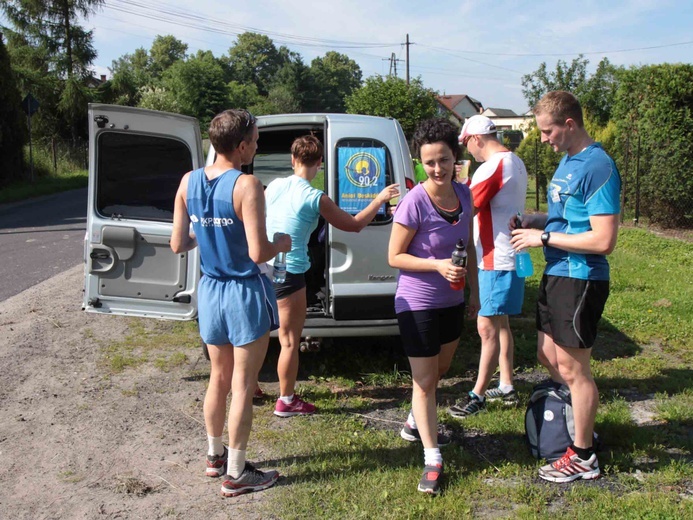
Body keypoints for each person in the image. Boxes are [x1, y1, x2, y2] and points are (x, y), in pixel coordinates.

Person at [170, 109, 292, 497]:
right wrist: (283, 244)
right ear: (240, 146)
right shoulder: (247, 185)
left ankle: (214, 456)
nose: (256, 146)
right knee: (242, 385)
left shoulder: (188, 182)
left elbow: (177, 243)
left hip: (210, 292)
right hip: (242, 291)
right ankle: (238, 474)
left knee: (218, 379)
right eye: (255, 140)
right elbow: (258, 252)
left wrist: (204, 236)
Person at [510, 91, 621, 483]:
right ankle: (577, 423)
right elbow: (567, 218)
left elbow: (603, 240)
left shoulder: (598, 165)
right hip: (558, 272)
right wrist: (536, 219)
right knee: (546, 355)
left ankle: (583, 455)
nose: (543, 139)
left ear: (569, 124)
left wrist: (542, 240)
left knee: (575, 370)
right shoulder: (569, 161)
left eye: (547, 131)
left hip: (580, 277)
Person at [265, 135, 399, 418]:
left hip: (266, 265)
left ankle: (250, 386)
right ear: (321, 164)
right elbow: (353, 225)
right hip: (290, 270)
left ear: (293, 160)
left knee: (260, 333)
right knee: (289, 340)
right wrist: (379, 198)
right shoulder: (315, 197)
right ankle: (286, 401)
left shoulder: (275, 185)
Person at [388, 118, 479, 495]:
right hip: (417, 302)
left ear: (454, 157)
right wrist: (436, 265)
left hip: (452, 301)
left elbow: (468, 247)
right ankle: (432, 457)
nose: (437, 169)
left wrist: (472, 292)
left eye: (443, 160)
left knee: (439, 371)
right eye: (429, 162)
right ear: (420, 163)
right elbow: (394, 256)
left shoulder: (466, 195)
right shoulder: (414, 202)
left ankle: (414, 422)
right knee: (425, 383)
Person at [448, 115, 528, 418]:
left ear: (476, 138)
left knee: (486, 326)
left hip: (496, 256)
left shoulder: (493, 166)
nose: (469, 153)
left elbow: (468, 207)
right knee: (501, 323)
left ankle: (477, 394)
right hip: (508, 254)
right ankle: (506, 385)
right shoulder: (514, 161)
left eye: (467, 145)